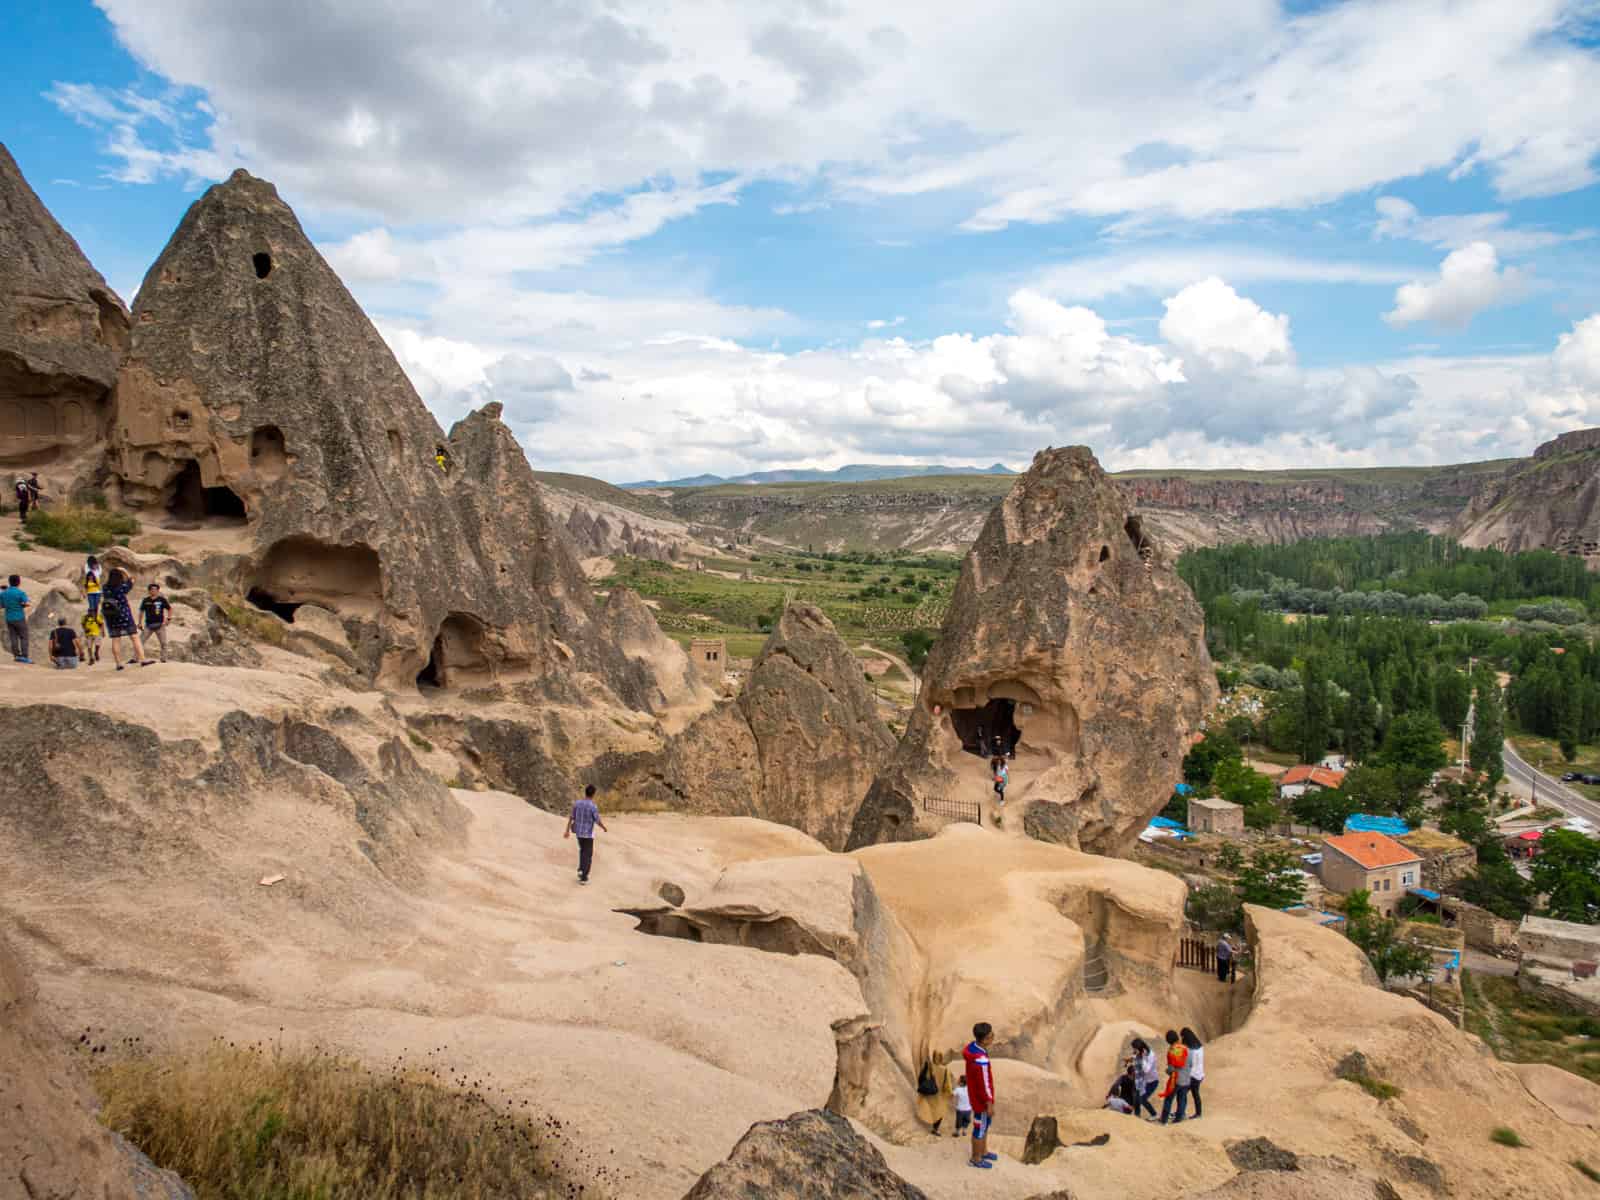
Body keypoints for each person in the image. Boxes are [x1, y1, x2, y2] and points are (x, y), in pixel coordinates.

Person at [102, 567, 153, 670]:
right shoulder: (121, 587)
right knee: (134, 637)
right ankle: (143, 660)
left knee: (116, 639)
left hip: (111, 616)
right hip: (124, 615)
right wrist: (124, 570)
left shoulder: (105, 587)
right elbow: (132, 579)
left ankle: (118, 664)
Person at [963, 1022, 998, 1169]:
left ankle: (983, 1151)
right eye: (991, 1036)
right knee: (980, 1128)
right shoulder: (980, 1060)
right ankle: (976, 1158)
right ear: (984, 1040)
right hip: (981, 1102)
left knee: (984, 1126)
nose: (993, 1037)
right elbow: (985, 1084)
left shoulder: (973, 1048)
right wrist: (989, 1103)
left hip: (975, 1097)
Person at [564, 783, 607, 883]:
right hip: (588, 834)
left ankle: (580, 870)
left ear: (585, 792)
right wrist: (604, 827)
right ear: (593, 794)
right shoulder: (593, 806)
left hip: (578, 833)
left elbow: (571, 817)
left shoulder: (577, 803)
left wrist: (567, 831)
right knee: (588, 854)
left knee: (582, 851)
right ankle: (584, 876)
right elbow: (597, 820)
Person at [1159, 1029, 1192, 1124]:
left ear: (1168, 1041)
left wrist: (1168, 1071)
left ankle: (1164, 1120)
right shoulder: (1186, 1049)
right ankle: (1178, 1119)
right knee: (1181, 1100)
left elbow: (1171, 1068)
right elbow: (1191, 1064)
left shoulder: (1171, 1050)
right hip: (1186, 1079)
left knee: (1168, 1099)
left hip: (1175, 1080)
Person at [139, 582, 175, 663]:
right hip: (148, 625)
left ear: (158, 591)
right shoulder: (145, 600)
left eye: (155, 589)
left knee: (163, 643)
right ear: (149, 591)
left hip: (160, 625)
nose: (153, 591)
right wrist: (139, 622)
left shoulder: (162, 599)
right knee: (140, 642)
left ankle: (163, 659)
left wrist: (168, 619)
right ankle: (135, 658)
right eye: (151, 589)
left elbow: (169, 609)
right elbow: (141, 611)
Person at [2, 573, 31, 663]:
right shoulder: (20, 592)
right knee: (23, 637)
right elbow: (26, 603)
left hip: (9, 618)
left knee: (13, 637)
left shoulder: (4, 593)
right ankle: (24, 656)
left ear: (9, 582)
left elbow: (1, 605)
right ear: (19, 582)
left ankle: (16, 656)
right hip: (19, 617)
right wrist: (21, 606)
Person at [1130, 1037, 1160, 1118]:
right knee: (1136, 1098)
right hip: (1140, 1080)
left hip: (1152, 1081)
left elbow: (1147, 1070)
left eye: (1135, 1049)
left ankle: (1154, 1114)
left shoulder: (1150, 1055)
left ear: (1140, 1048)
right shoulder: (1138, 1053)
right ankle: (1137, 1115)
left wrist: (1142, 1058)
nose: (1134, 1051)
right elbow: (1133, 1059)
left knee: (1142, 1099)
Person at [1181, 1028, 1205, 1120]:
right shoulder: (1200, 1047)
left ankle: (1182, 1113)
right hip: (1199, 1074)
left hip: (1193, 1076)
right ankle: (1197, 1113)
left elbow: (1190, 1064)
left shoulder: (1192, 1051)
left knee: (1183, 1094)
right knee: (1193, 1094)